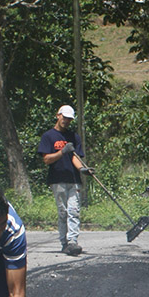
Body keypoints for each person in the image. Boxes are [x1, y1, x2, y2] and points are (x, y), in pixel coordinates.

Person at [37, 103, 90, 256]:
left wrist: (82, 169)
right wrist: (62, 152)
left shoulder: (74, 137)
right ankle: (64, 243)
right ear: (58, 116)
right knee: (63, 212)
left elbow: (75, 157)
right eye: (64, 118)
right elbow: (46, 159)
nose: (66, 121)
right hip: (57, 179)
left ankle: (73, 241)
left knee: (74, 211)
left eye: (69, 119)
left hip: (73, 179)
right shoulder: (48, 136)